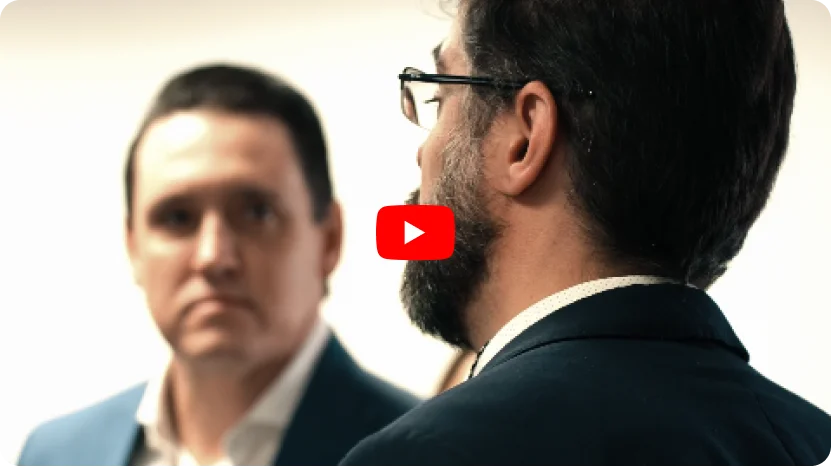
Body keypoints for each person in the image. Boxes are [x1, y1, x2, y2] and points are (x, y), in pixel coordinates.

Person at [339, 0, 831, 465]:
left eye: (439, 96)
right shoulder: (813, 443)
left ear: (524, 139)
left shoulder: (426, 455)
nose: (422, 153)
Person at [17, 63, 419, 467]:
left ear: (329, 239)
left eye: (257, 213)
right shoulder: (55, 454)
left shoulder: (423, 455)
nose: (213, 257)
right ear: (133, 246)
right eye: (177, 218)